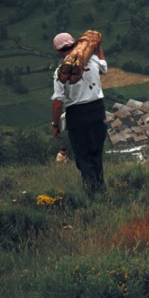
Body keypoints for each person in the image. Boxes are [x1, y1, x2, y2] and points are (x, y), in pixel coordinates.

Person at [51, 32, 108, 198]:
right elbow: (104, 66)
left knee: (83, 157)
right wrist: (96, 47)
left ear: (58, 51)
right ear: (75, 44)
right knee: (96, 153)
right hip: (98, 111)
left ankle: (93, 194)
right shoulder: (93, 61)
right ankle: (101, 191)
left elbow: (57, 102)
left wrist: (55, 125)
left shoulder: (61, 72)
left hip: (77, 115)